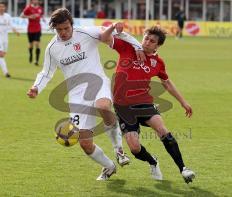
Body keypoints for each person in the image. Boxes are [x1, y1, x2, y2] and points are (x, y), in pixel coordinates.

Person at [27, 8, 145, 180]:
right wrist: (36, 87)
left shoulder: (86, 33)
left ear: (71, 24)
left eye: (66, 28)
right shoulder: (52, 48)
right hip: (76, 95)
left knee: (103, 106)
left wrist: (137, 46)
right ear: (54, 28)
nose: (63, 32)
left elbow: (116, 33)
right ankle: (109, 167)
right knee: (85, 143)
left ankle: (118, 149)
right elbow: (46, 72)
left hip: (97, 81)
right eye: (59, 29)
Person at [104, 25, 195, 183]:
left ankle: (183, 169)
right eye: (146, 38)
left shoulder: (158, 62)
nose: (147, 42)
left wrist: (183, 102)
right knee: (134, 148)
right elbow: (106, 38)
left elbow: (166, 83)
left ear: (158, 46)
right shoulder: (127, 48)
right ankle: (153, 161)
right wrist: (114, 26)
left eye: (152, 41)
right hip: (123, 107)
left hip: (144, 103)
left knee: (162, 130)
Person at [20, 0, 43, 66]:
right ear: (32, 1)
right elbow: (21, 15)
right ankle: (31, 54)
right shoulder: (28, 8)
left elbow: (40, 16)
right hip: (30, 29)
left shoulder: (40, 8)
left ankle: (36, 61)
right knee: (31, 45)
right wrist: (29, 16)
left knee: (37, 44)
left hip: (38, 28)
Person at [0, 1, 19, 78]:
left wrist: (16, 31)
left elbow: (11, 25)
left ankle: (5, 72)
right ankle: (6, 72)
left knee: (3, 54)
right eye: (0, 7)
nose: (1, 8)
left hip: (5, 38)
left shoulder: (7, 16)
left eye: (2, 7)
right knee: (1, 55)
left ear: (5, 8)